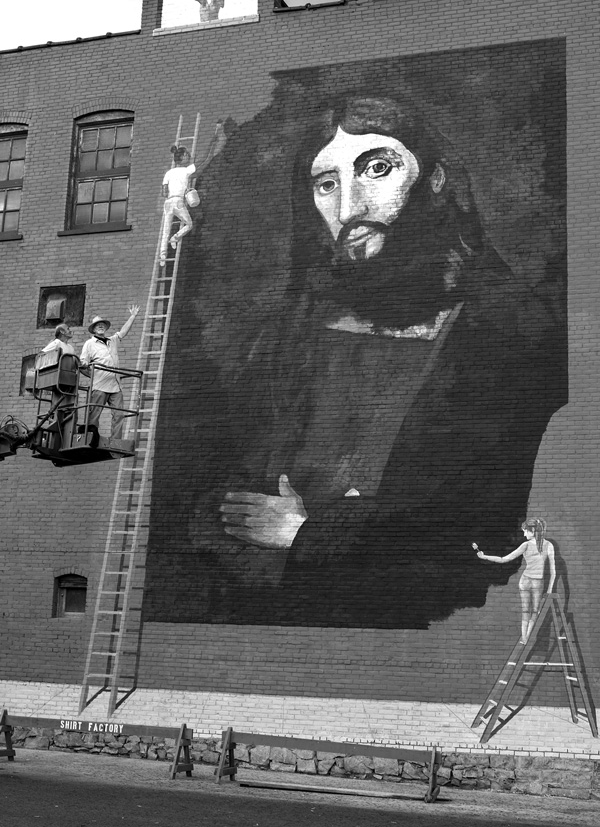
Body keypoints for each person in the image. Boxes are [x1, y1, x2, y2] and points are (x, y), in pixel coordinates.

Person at [146, 95, 566, 628]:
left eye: (377, 168)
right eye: (327, 184)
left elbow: (481, 520)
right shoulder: (291, 333)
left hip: (400, 610)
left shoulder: (506, 331)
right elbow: (218, 486)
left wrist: (311, 535)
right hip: (275, 607)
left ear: (434, 179)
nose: (348, 209)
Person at [476, 517, 556, 643]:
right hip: (533, 582)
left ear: (533, 530)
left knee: (529, 611)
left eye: (525, 531)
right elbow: (553, 571)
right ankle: (526, 638)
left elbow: (504, 559)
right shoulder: (543, 545)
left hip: (529, 581)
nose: (524, 534)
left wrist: (484, 557)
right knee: (533, 611)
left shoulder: (535, 545)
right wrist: (484, 556)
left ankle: (525, 639)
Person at [79, 306, 140, 441]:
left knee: (119, 414)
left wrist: (133, 316)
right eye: (97, 325)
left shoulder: (112, 340)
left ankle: (116, 441)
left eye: (102, 325)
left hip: (115, 385)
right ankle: (90, 439)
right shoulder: (89, 344)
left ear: (105, 328)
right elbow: (82, 364)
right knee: (94, 414)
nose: (100, 326)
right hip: (99, 385)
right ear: (93, 329)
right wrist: (91, 375)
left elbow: (123, 332)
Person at [160, 145, 197, 266]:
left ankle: (163, 254)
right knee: (189, 224)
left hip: (168, 203)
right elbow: (202, 161)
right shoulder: (186, 171)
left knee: (166, 229)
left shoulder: (168, 173)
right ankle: (175, 238)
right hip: (178, 201)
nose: (189, 156)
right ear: (182, 157)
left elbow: (164, 192)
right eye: (187, 155)